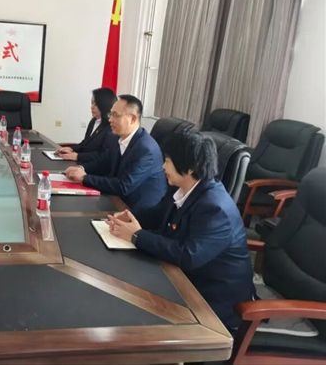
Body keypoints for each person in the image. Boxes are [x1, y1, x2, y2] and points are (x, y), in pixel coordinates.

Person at [106, 130, 255, 329]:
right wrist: (129, 216)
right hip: (184, 277)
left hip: (213, 298)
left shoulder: (215, 208)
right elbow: (157, 213)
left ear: (190, 168)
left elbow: (188, 256)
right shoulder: (182, 187)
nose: (163, 166)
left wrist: (136, 235)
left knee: (136, 311)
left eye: (167, 161)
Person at [65, 95, 166, 213]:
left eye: (116, 115)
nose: (110, 120)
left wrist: (84, 178)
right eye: (110, 114)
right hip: (117, 199)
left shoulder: (145, 149)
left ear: (133, 119)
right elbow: (104, 163)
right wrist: (81, 168)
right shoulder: (119, 138)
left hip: (139, 210)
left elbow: (124, 186)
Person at [56, 87, 117, 163]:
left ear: (104, 105)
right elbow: (85, 143)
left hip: (94, 166)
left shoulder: (110, 127)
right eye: (92, 103)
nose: (92, 107)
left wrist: (77, 156)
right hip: (83, 162)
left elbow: (103, 155)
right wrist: (72, 149)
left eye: (96, 104)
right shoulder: (93, 121)